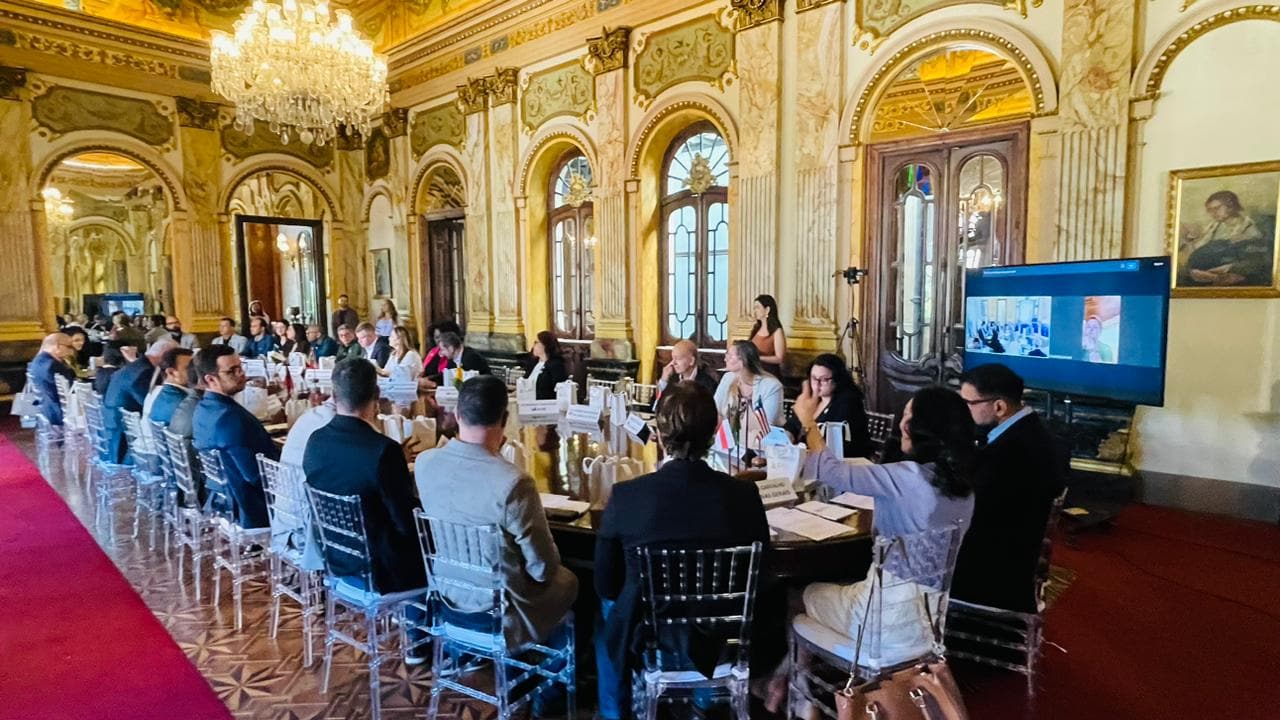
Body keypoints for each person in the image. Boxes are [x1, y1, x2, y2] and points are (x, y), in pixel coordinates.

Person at [594, 383, 772, 719]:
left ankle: (613, 712)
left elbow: (605, 584)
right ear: (714, 432)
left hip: (650, 634)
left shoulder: (627, 496)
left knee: (605, 610)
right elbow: (762, 574)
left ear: (660, 435)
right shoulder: (744, 495)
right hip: (724, 633)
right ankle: (704, 697)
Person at [790, 385, 975, 678]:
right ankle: (785, 683)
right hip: (927, 622)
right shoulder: (965, 490)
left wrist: (808, 421)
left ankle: (791, 689)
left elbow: (832, 471)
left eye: (908, 416)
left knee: (796, 595)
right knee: (842, 584)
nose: (902, 424)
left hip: (879, 623)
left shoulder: (906, 477)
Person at [416, 375, 578, 650]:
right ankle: (550, 672)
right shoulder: (513, 482)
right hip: (499, 612)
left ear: (457, 415)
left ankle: (465, 655)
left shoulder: (424, 463)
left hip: (446, 596)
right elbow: (542, 569)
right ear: (504, 419)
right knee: (570, 581)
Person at [303, 359, 427, 637]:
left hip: (336, 560)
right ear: (377, 396)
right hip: (380, 572)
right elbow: (408, 525)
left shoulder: (316, 441)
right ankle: (419, 638)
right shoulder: (383, 451)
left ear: (334, 396)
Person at [954, 364, 1067, 613]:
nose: (963, 411)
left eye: (968, 403)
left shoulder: (1013, 451)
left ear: (999, 407)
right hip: (1015, 552)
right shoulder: (1028, 430)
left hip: (995, 571)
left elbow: (976, 511)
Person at [191, 344, 276, 528]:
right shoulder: (230, 418)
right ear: (210, 379)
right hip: (251, 507)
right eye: (232, 371)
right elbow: (255, 476)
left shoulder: (202, 409)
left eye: (240, 367)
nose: (241, 374)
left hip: (221, 499)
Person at [784, 354, 873, 458]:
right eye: (814, 378)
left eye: (824, 379)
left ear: (837, 379)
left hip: (844, 461)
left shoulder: (848, 402)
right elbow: (792, 425)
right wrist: (788, 435)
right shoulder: (812, 399)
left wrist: (807, 422)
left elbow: (832, 447)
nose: (817, 384)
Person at [104, 337, 177, 462]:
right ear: (165, 356)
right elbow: (153, 407)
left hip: (112, 425)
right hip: (123, 439)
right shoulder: (145, 373)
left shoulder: (136, 367)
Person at [1182, 190, 1272, 287]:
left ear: (1231, 206)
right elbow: (1197, 249)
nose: (1213, 213)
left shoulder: (1249, 228)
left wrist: (1229, 267)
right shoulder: (1214, 227)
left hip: (1235, 267)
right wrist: (1190, 241)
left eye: (1217, 208)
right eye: (1210, 210)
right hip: (1209, 269)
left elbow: (1255, 257)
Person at [713, 340, 784, 450]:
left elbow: (765, 426)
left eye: (730, 356)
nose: (725, 359)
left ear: (743, 360)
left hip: (760, 448)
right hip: (728, 444)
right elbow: (715, 410)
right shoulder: (727, 378)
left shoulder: (771, 386)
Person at [142, 347, 194, 447]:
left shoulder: (163, 394)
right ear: (171, 372)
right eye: (189, 368)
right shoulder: (184, 403)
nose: (195, 372)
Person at [654, 339, 719, 413]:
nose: (673, 363)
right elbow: (656, 408)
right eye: (673, 358)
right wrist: (663, 380)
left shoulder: (708, 384)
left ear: (691, 361)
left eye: (678, 359)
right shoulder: (671, 378)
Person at [28, 333, 77, 426]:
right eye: (69, 346)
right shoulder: (53, 365)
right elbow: (72, 390)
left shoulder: (37, 361)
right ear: (57, 346)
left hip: (44, 410)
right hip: (60, 414)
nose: (72, 350)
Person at [522, 331, 568, 400]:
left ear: (546, 345)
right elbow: (525, 380)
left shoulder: (556, 365)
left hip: (545, 403)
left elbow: (558, 391)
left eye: (536, 342)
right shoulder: (534, 362)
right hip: (528, 400)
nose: (533, 346)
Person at [750, 294, 787, 378]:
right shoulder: (756, 328)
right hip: (754, 371)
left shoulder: (777, 331)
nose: (755, 311)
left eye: (757, 307)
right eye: (754, 308)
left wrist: (758, 358)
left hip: (768, 374)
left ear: (767, 310)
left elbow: (779, 358)